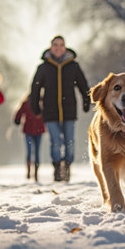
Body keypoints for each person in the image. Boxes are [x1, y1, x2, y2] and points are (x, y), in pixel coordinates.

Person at [30, 35, 90, 182]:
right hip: (50, 111)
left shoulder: (73, 66)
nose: (58, 47)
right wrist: (35, 106)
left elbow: (83, 85)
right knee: (55, 141)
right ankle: (57, 168)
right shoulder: (43, 67)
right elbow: (35, 89)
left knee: (70, 142)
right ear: (51, 48)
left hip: (69, 110)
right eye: (55, 45)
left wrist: (86, 100)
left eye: (61, 45)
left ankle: (67, 166)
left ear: (65, 47)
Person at [14, 93, 45, 182]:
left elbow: (47, 113)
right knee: (30, 151)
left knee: (36, 152)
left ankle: (35, 173)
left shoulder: (42, 103)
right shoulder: (26, 103)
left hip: (38, 130)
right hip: (29, 131)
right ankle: (29, 171)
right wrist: (17, 119)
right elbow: (19, 113)